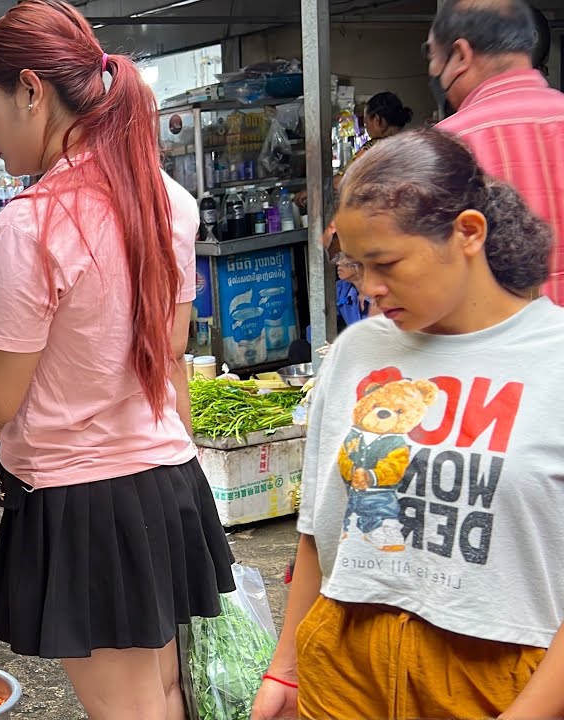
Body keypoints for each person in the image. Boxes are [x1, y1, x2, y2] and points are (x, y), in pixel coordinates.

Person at [0, 3, 235, 715]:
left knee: (133, 711)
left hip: (88, 505)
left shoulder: (32, 226)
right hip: (167, 484)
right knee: (167, 696)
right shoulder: (168, 201)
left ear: (31, 90)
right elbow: (171, 354)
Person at [253, 129, 564, 720]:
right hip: (345, 670)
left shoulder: (554, 357)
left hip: (499, 682)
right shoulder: (359, 352)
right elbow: (320, 529)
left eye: (386, 262)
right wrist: (286, 670)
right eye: (356, 265)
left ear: (468, 233)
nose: (369, 287)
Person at [428, 0, 564, 302]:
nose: (435, 74)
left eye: (436, 61)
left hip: (496, 343)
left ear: (461, 54)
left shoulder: (446, 146)